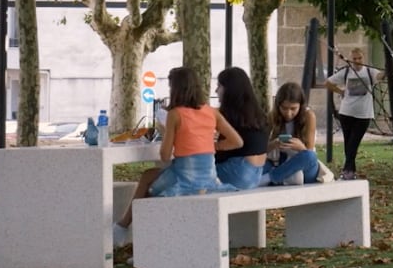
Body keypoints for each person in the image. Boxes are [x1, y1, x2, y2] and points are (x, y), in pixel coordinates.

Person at [118, 67, 242, 229]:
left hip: (184, 179)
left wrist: (164, 131)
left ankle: (123, 227)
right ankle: (125, 227)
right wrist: (209, 146)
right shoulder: (211, 112)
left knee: (147, 182)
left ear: (175, 89)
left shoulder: (175, 114)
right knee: (149, 183)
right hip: (209, 178)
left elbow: (164, 155)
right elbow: (237, 142)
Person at [320, 47, 383, 180]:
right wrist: (341, 91)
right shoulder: (346, 72)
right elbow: (328, 83)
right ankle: (350, 171)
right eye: (354, 59)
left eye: (359, 58)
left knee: (354, 143)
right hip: (347, 112)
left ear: (363, 58)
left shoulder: (370, 71)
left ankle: (347, 170)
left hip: (364, 114)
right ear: (351, 59)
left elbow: (380, 76)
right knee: (348, 143)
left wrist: (388, 70)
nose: (357, 61)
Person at [213, 67, 271, 190]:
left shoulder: (229, 116)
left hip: (237, 172)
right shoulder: (257, 115)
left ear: (229, 90)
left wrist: (213, 146)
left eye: (219, 86)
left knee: (188, 173)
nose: (216, 90)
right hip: (256, 174)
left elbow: (229, 148)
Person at [265, 81, 329, 184]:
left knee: (309, 156)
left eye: (293, 109)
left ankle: (271, 178)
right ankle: (284, 178)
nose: (288, 113)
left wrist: (300, 147)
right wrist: (274, 144)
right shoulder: (272, 116)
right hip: (282, 162)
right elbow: (261, 150)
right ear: (278, 105)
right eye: (284, 108)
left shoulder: (309, 116)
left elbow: (309, 150)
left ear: (301, 105)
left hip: (303, 165)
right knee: (259, 163)